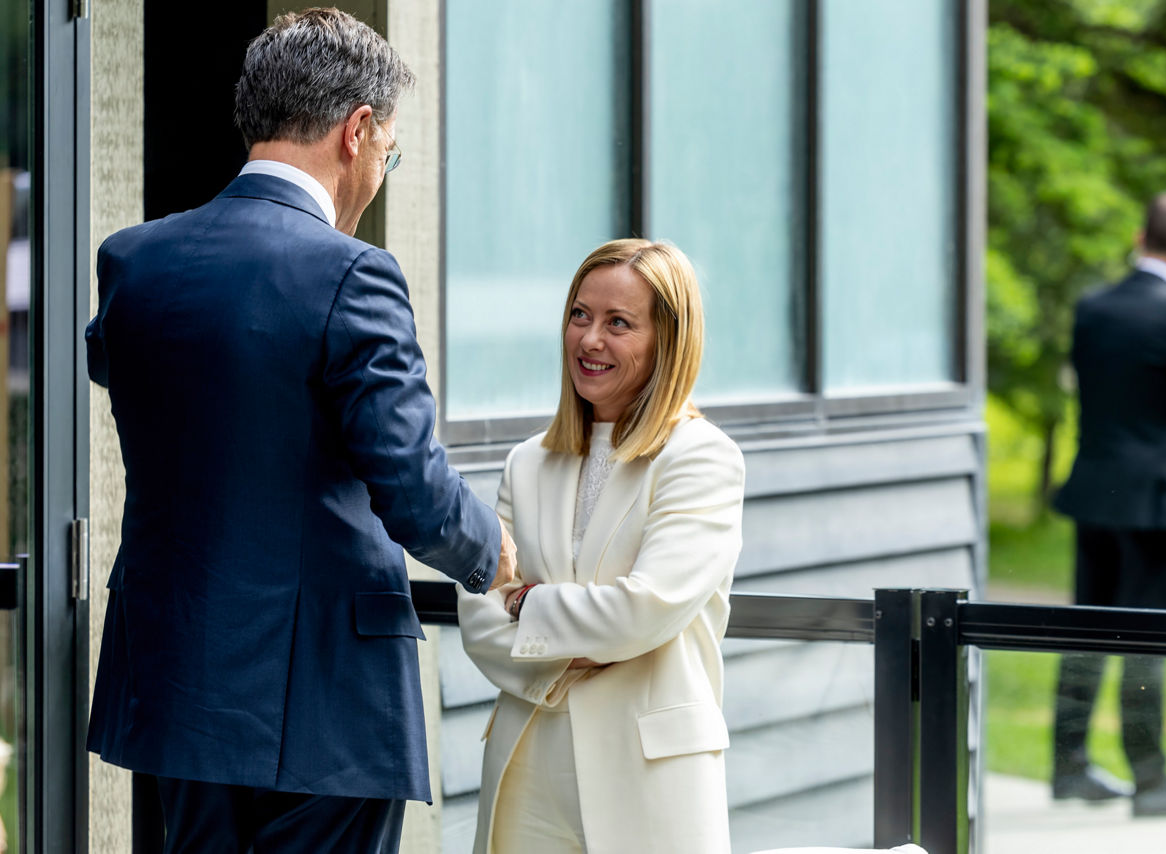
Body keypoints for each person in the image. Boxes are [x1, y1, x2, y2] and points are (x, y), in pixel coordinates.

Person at [85, 9, 514, 852]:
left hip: (175, 683)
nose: (383, 171)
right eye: (390, 152)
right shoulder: (353, 274)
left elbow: (133, 377)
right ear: (357, 132)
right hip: (323, 703)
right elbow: (416, 492)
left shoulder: (133, 261)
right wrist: (494, 552)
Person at [457, 238, 746, 853]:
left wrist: (530, 607)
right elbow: (481, 617)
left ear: (667, 340)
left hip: (648, 779)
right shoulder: (526, 462)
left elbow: (644, 609)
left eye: (619, 323)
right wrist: (590, 641)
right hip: (527, 769)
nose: (590, 339)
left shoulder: (700, 458)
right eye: (580, 315)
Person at [1051, 191, 1166, 817]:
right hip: (1157, 507)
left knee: (1085, 631)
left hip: (1094, 495)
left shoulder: (1092, 308)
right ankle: (1152, 783)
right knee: (1146, 643)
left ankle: (1068, 766)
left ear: (1139, 236)